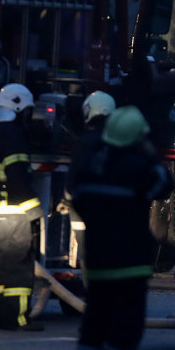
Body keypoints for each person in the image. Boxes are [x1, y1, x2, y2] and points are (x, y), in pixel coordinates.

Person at [72, 106, 174, 350]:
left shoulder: (91, 166)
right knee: (125, 332)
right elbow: (164, 185)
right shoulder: (139, 168)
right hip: (130, 264)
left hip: (98, 262)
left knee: (94, 324)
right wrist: (151, 155)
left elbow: (78, 199)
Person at [0, 84, 45, 331]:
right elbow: (19, 178)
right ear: (17, 108)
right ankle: (17, 319)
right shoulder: (12, 136)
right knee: (18, 269)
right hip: (13, 214)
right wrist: (36, 213)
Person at [60, 91, 117, 267]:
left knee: (88, 259)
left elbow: (73, 178)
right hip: (109, 213)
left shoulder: (85, 141)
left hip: (83, 212)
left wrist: (66, 201)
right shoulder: (117, 142)